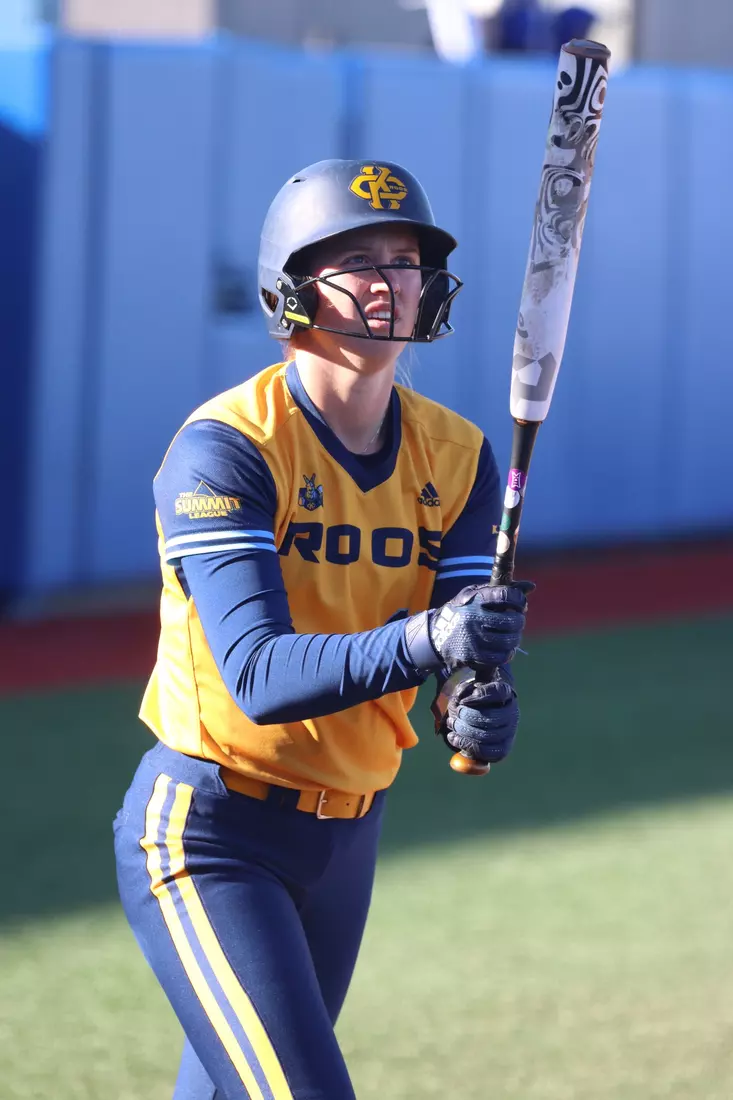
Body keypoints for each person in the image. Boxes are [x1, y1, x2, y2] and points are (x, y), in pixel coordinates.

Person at [113, 158, 534, 1099]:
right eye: (359, 259)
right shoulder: (225, 447)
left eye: (406, 259)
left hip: (349, 834)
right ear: (293, 290)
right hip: (212, 830)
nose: (390, 279)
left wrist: (474, 700)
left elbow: (459, 640)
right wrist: (436, 641)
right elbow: (258, 675)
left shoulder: (458, 454)